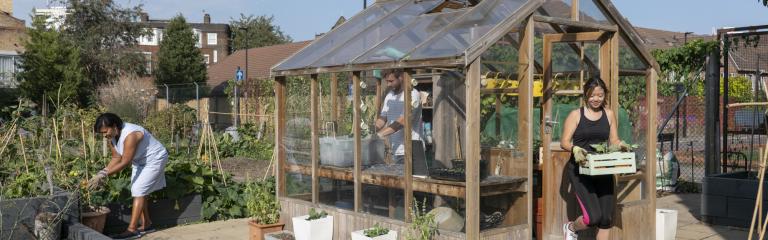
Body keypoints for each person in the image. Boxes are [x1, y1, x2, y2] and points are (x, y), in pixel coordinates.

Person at [559, 77, 629, 240]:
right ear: (586, 95)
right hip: (580, 171)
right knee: (593, 217)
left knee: (606, 219)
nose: (596, 99)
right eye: (592, 95)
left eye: (600, 95)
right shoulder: (576, 115)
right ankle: (571, 227)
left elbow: (613, 140)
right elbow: (564, 142)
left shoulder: (609, 114)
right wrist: (575, 148)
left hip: (602, 169)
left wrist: (621, 145)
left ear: (605, 95)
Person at [87, 113, 168, 239]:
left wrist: (105, 175)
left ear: (114, 126)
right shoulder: (112, 137)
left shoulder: (130, 135)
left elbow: (125, 162)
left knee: (138, 190)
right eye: (102, 133)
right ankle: (147, 224)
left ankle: (132, 230)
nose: (104, 135)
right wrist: (101, 173)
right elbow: (116, 157)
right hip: (140, 160)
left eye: (105, 131)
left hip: (155, 159)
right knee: (139, 191)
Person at [375, 69, 423, 164]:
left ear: (401, 77)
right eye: (387, 81)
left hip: (412, 149)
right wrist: (373, 130)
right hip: (396, 150)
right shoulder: (390, 96)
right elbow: (383, 117)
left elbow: (403, 121)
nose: (388, 84)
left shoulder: (412, 94)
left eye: (391, 81)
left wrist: (380, 135)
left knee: (414, 179)